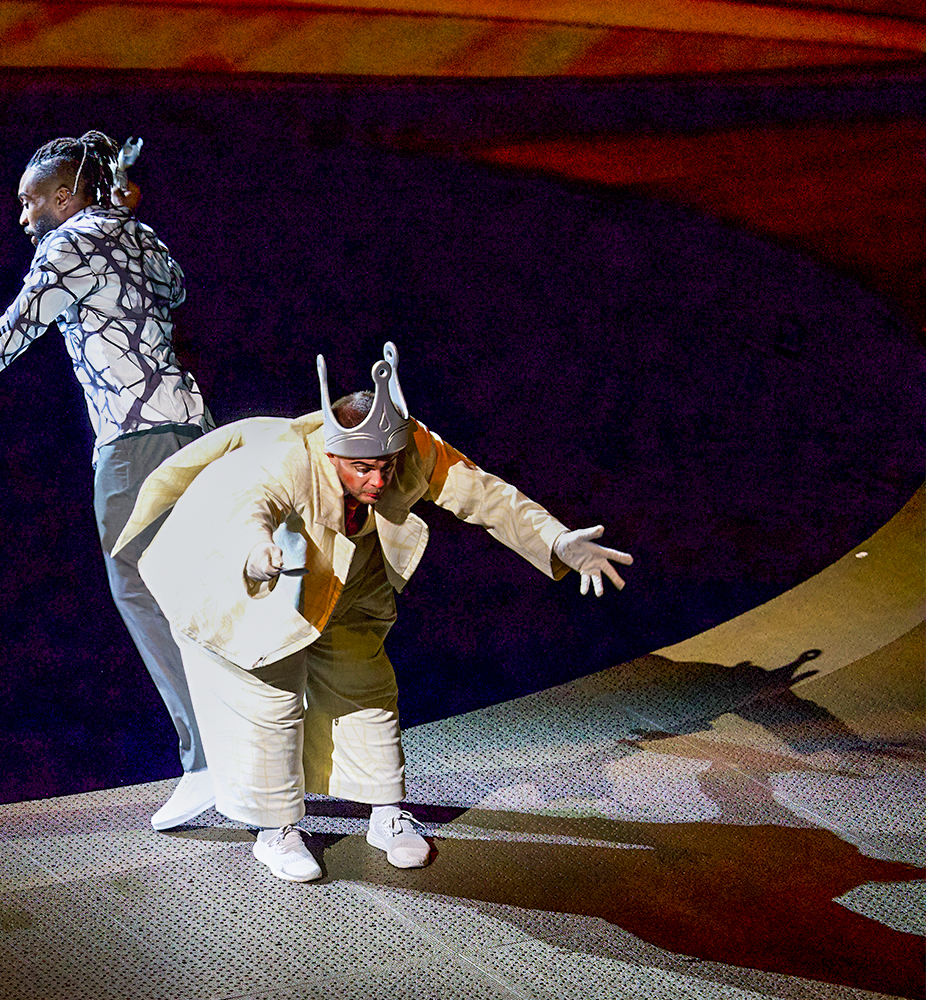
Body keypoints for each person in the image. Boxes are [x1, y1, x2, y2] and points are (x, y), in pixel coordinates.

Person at [112, 343, 631, 881]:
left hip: (345, 575)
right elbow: (249, 505)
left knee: (365, 682)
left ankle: (386, 812)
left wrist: (557, 539)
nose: (379, 482)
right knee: (267, 692)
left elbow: (486, 495)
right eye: (363, 469)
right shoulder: (285, 458)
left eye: (387, 466)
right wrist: (255, 550)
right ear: (333, 454)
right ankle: (276, 830)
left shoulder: (414, 448)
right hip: (243, 580)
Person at [0, 131, 217, 829]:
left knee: (138, 586)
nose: (23, 217)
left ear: (65, 196)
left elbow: (10, 335)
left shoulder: (66, 245)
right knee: (198, 588)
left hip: (135, 441)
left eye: (31, 201)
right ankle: (253, 747)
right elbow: (177, 287)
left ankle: (207, 762)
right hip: (195, 431)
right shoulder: (135, 234)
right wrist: (125, 211)